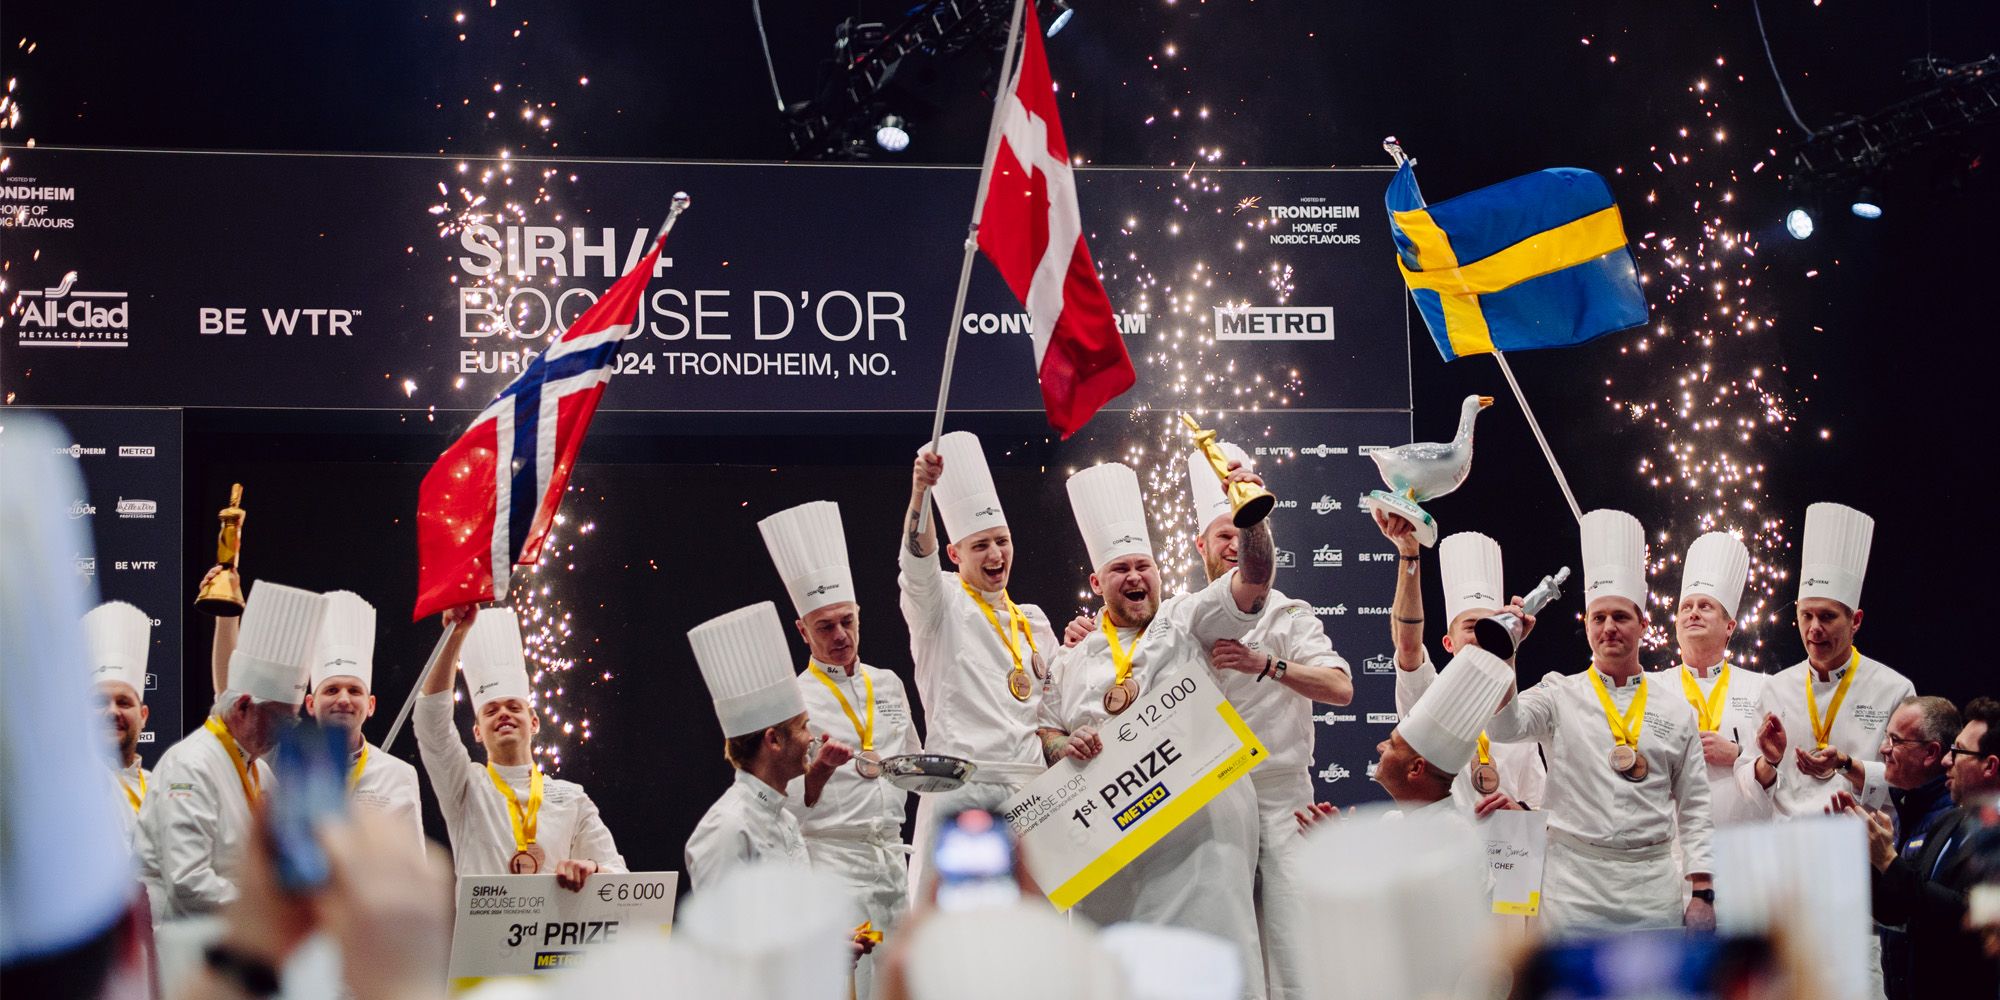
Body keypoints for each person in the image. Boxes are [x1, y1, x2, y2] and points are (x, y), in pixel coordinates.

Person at [1036, 460, 1273, 996]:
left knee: (1216, 971)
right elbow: (1045, 731)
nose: (1136, 577)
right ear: (1097, 582)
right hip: (1112, 856)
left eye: (1144, 565)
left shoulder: (1189, 619)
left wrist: (1250, 513)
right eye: (1120, 569)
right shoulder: (1070, 660)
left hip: (1202, 840)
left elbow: (1254, 579)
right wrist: (1061, 744)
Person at [1482, 509, 1715, 937]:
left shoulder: (1674, 708)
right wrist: (1507, 652)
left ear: (1643, 624)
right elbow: (1502, 728)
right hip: (1573, 887)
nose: (1609, 627)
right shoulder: (1558, 693)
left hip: (1651, 887)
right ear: (1586, 625)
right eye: (1598, 617)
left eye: (1620, 617)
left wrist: (1702, 893)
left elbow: (1696, 804)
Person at [1182, 442, 1351, 1000]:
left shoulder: (1290, 613)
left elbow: (1341, 688)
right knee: (1222, 952)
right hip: (1211, 798)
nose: (1233, 544)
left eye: (1241, 532)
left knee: (1294, 952)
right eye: (1222, 534)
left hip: (1284, 800)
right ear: (1200, 544)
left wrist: (1267, 663)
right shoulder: (1180, 618)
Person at [761, 500, 917, 1000]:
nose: (840, 636)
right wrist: (819, 775)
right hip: (831, 865)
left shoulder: (888, 684)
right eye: (824, 626)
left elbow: (911, 769)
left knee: (896, 986)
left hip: (891, 863)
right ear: (802, 631)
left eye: (846, 621)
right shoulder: (789, 702)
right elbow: (771, 810)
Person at [898, 431, 1058, 892]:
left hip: (1031, 797)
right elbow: (918, 563)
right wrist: (921, 493)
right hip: (961, 792)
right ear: (955, 554)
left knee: (1030, 940)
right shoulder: (940, 604)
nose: (996, 554)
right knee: (953, 943)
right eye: (981, 544)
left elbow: (1052, 708)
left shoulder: (1033, 621)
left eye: (1002, 541)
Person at [138, 581, 322, 920]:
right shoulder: (189, 766)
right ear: (242, 708)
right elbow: (187, 882)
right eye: (278, 720)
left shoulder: (261, 771)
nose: (283, 734)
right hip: (181, 947)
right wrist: (269, 904)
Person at [413, 606, 624, 887]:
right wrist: (455, 637)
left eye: (514, 707)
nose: (503, 714)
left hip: (551, 930)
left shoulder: (572, 798)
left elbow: (620, 875)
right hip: (480, 932)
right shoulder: (466, 786)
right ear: (477, 732)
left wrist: (591, 868)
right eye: (490, 711)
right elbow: (430, 723)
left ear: (534, 722)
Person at [1737, 503, 1915, 816]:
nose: (1815, 628)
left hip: (1862, 846)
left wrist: (1848, 765)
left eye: (1828, 617)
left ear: (1855, 620)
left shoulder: (1895, 690)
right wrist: (1770, 761)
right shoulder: (1775, 688)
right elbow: (1746, 786)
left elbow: (1910, 781)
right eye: (1806, 616)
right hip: (1790, 847)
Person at [1377, 517, 1547, 812]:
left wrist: (1519, 811)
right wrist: (1409, 555)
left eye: (1490, 627)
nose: (1481, 637)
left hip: (1502, 855)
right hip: (1439, 847)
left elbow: (1540, 807)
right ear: (1448, 643)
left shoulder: (1517, 718)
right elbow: (1407, 644)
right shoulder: (1428, 693)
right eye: (1471, 628)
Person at [684, 601, 856, 890]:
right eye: (803, 727)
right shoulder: (728, 827)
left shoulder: (785, 820)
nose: (812, 739)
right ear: (774, 740)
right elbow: (718, 932)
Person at [1844, 696, 2000, 1000]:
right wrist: (1873, 859)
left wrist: (1889, 859)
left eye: (1958, 752)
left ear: (1990, 766)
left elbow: (1972, 917)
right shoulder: (1950, 822)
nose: (1946, 761)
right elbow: (1899, 908)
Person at [300, 592, 423, 844]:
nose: (344, 699)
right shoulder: (289, 767)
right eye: (332, 690)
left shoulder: (399, 775)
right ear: (311, 704)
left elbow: (413, 866)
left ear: (370, 705)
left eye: (355, 690)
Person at [1671, 531, 1770, 826]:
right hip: (1671, 856)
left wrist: (1738, 753)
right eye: (1686, 607)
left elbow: (1788, 768)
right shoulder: (1651, 687)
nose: (1693, 614)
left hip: (1744, 851)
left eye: (1705, 606)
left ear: (1729, 626)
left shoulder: (1763, 688)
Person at [1374, 646, 1515, 820]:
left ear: (1416, 768)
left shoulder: (1455, 836)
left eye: (1392, 744)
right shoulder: (1391, 821)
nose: (1380, 746)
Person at [83, 600, 155, 851]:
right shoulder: (71, 786)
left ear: (143, 715)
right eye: (100, 702)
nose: (112, 711)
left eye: (124, 702)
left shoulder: (161, 787)